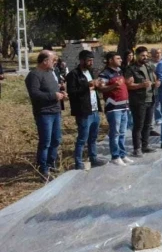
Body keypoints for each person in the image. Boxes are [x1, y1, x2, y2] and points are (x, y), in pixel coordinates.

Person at [25, 50, 65, 180]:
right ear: (45, 61)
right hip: (44, 113)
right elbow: (35, 94)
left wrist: (61, 93)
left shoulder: (50, 73)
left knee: (56, 139)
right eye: (53, 60)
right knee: (45, 141)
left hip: (55, 111)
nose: (55, 62)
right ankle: (43, 168)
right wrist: (53, 95)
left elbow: (53, 89)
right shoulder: (34, 75)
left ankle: (51, 163)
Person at [66, 50, 108, 170]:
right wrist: (87, 85)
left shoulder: (90, 72)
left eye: (92, 60)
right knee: (82, 138)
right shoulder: (74, 75)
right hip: (83, 111)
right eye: (89, 60)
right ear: (82, 60)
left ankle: (93, 158)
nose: (91, 62)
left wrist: (98, 85)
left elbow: (93, 87)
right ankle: (78, 162)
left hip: (94, 110)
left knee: (93, 137)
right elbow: (72, 92)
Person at [97, 52, 133, 165]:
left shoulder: (119, 71)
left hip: (124, 106)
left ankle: (122, 154)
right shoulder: (105, 74)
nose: (121, 60)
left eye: (120, 58)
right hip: (113, 107)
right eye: (118, 58)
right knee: (115, 133)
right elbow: (101, 88)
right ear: (110, 60)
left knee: (122, 132)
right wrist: (113, 86)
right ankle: (115, 156)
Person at [125, 46, 160, 157]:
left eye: (146, 55)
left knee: (147, 124)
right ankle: (137, 148)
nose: (145, 57)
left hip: (150, 98)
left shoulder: (148, 66)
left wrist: (156, 83)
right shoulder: (131, 69)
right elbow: (129, 85)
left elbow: (154, 78)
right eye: (142, 56)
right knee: (138, 125)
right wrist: (141, 85)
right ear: (137, 56)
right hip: (139, 101)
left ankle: (145, 145)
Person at [149, 48, 162, 129]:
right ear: (153, 54)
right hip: (155, 86)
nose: (159, 54)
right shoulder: (150, 64)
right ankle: (158, 118)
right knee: (156, 103)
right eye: (157, 53)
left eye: (160, 53)